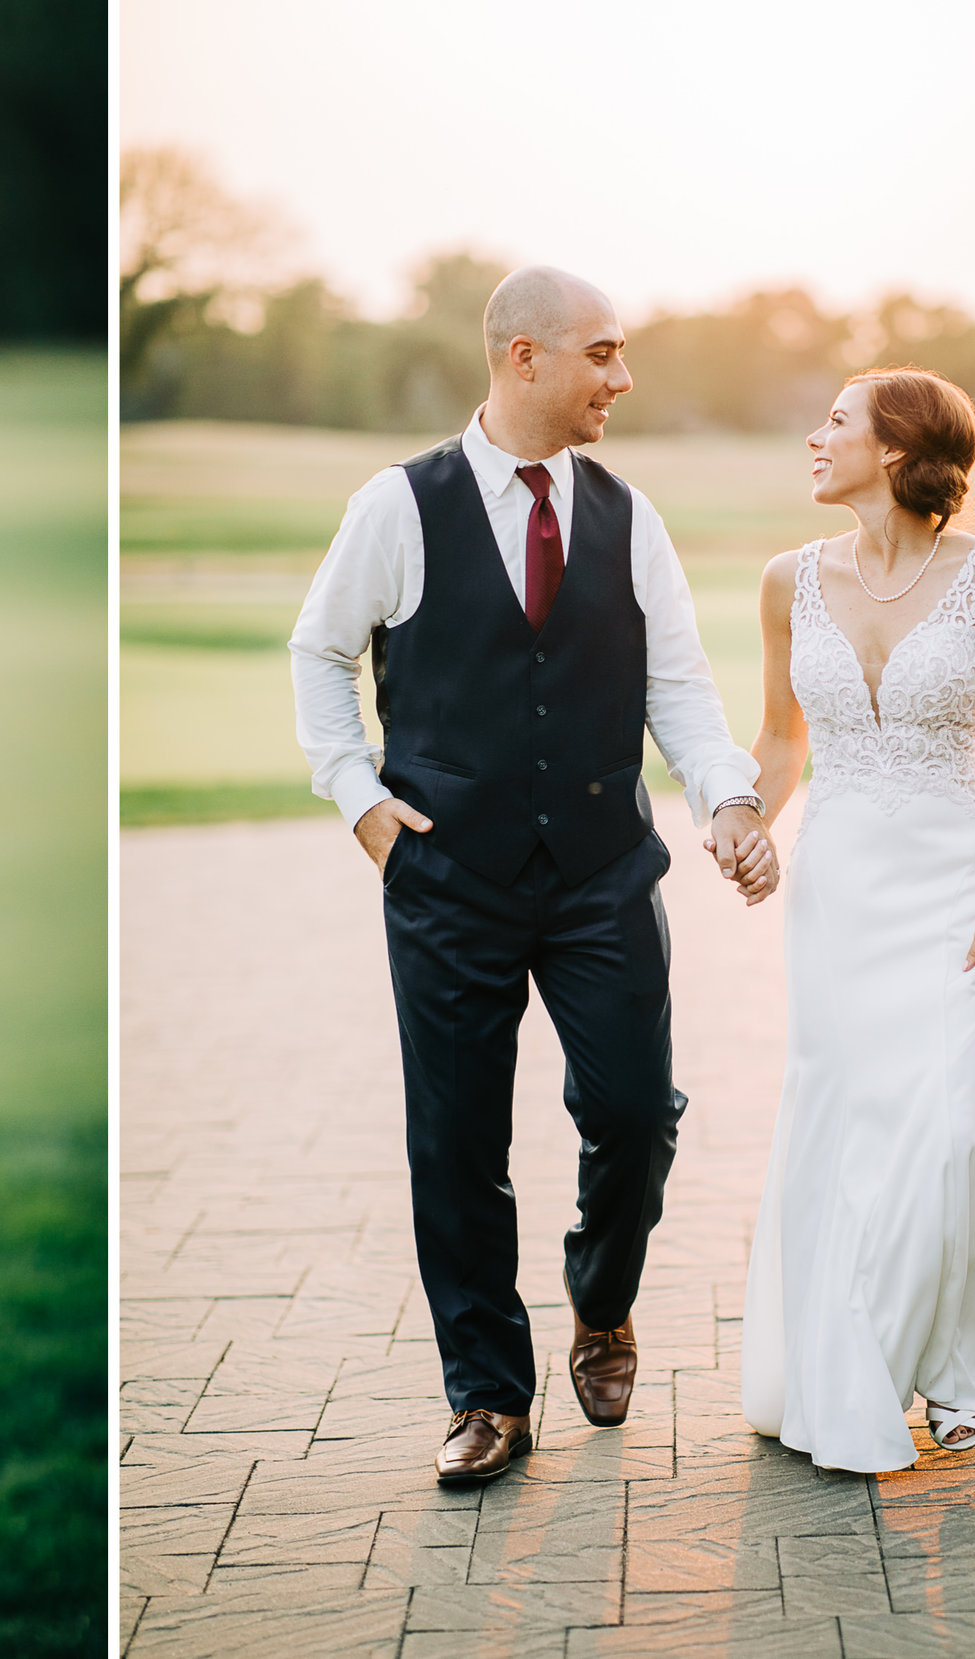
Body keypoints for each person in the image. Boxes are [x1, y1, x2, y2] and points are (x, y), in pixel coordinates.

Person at [288, 265, 776, 1487]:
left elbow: (679, 687)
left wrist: (724, 795)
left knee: (633, 1114)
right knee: (454, 1143)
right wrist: (360, 802)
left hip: (605, 873)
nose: (622, 377)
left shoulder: (629, 515)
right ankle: (487, 1396)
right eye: (602, 353)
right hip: (446, 878)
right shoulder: (397, 508)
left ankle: (600, 1300)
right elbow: (318, 650)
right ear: (522, 359)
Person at [737, 368, 975, 1471]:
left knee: (949, 1120)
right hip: (838, 888)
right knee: (845, 1113)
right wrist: (747, 817)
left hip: (953, 882)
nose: (814, 439)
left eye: (834, 423)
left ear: (896, 448)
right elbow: (783, 743)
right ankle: (848, 1360)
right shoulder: (788, 581)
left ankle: (956, 1366)